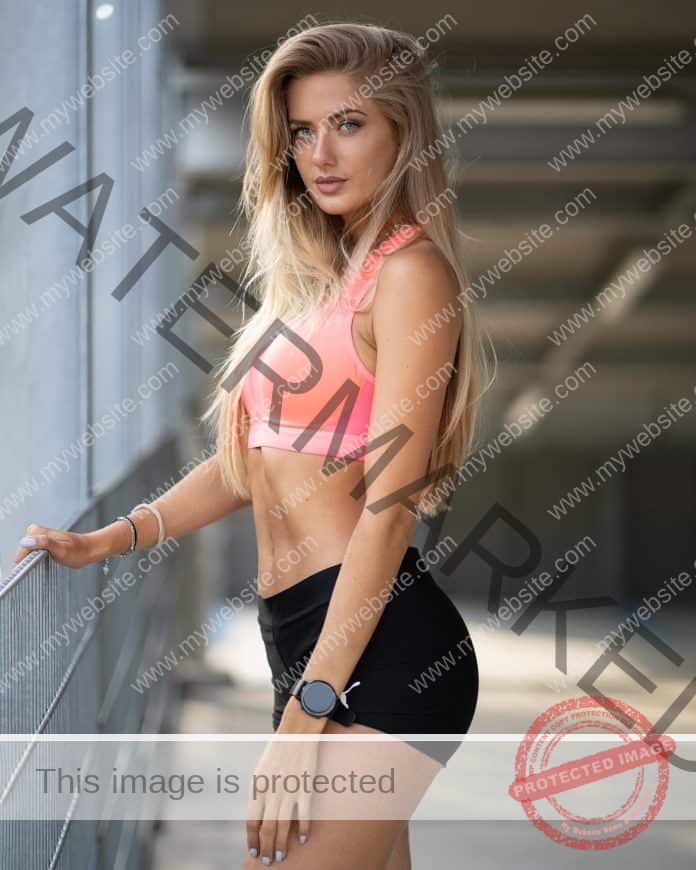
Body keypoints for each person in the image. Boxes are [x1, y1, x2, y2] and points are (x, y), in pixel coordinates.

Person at [12, 22, 492, 870]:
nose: (320, 153)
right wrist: (112, 537)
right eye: (302, 132)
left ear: (402, 132)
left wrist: (307, 715)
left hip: (377, 652)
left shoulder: (411, 276)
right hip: (306, 642)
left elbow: (388, 517)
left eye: (348, 124)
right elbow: (248, 468)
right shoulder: (316, 284)